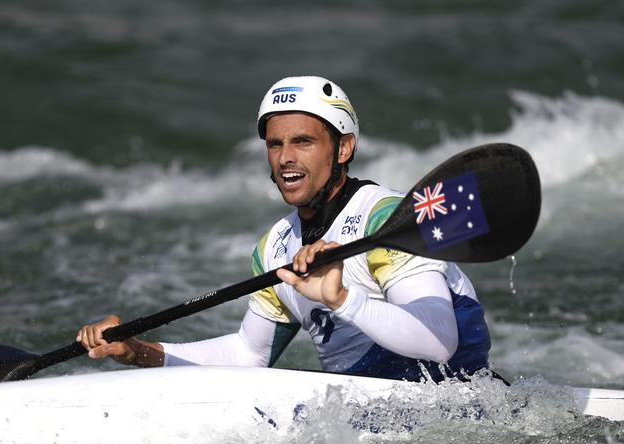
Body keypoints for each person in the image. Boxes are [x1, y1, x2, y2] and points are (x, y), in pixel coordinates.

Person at [77, 75, 493, 383]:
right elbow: (248, 355)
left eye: (303, 142)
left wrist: (341, 298)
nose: (285, 158)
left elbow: (439, 342)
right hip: (369, 421)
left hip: (457, 407)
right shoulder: (275, 248)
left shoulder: (388, 218)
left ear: (343, 148)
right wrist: (138, 353)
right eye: (275, 145)